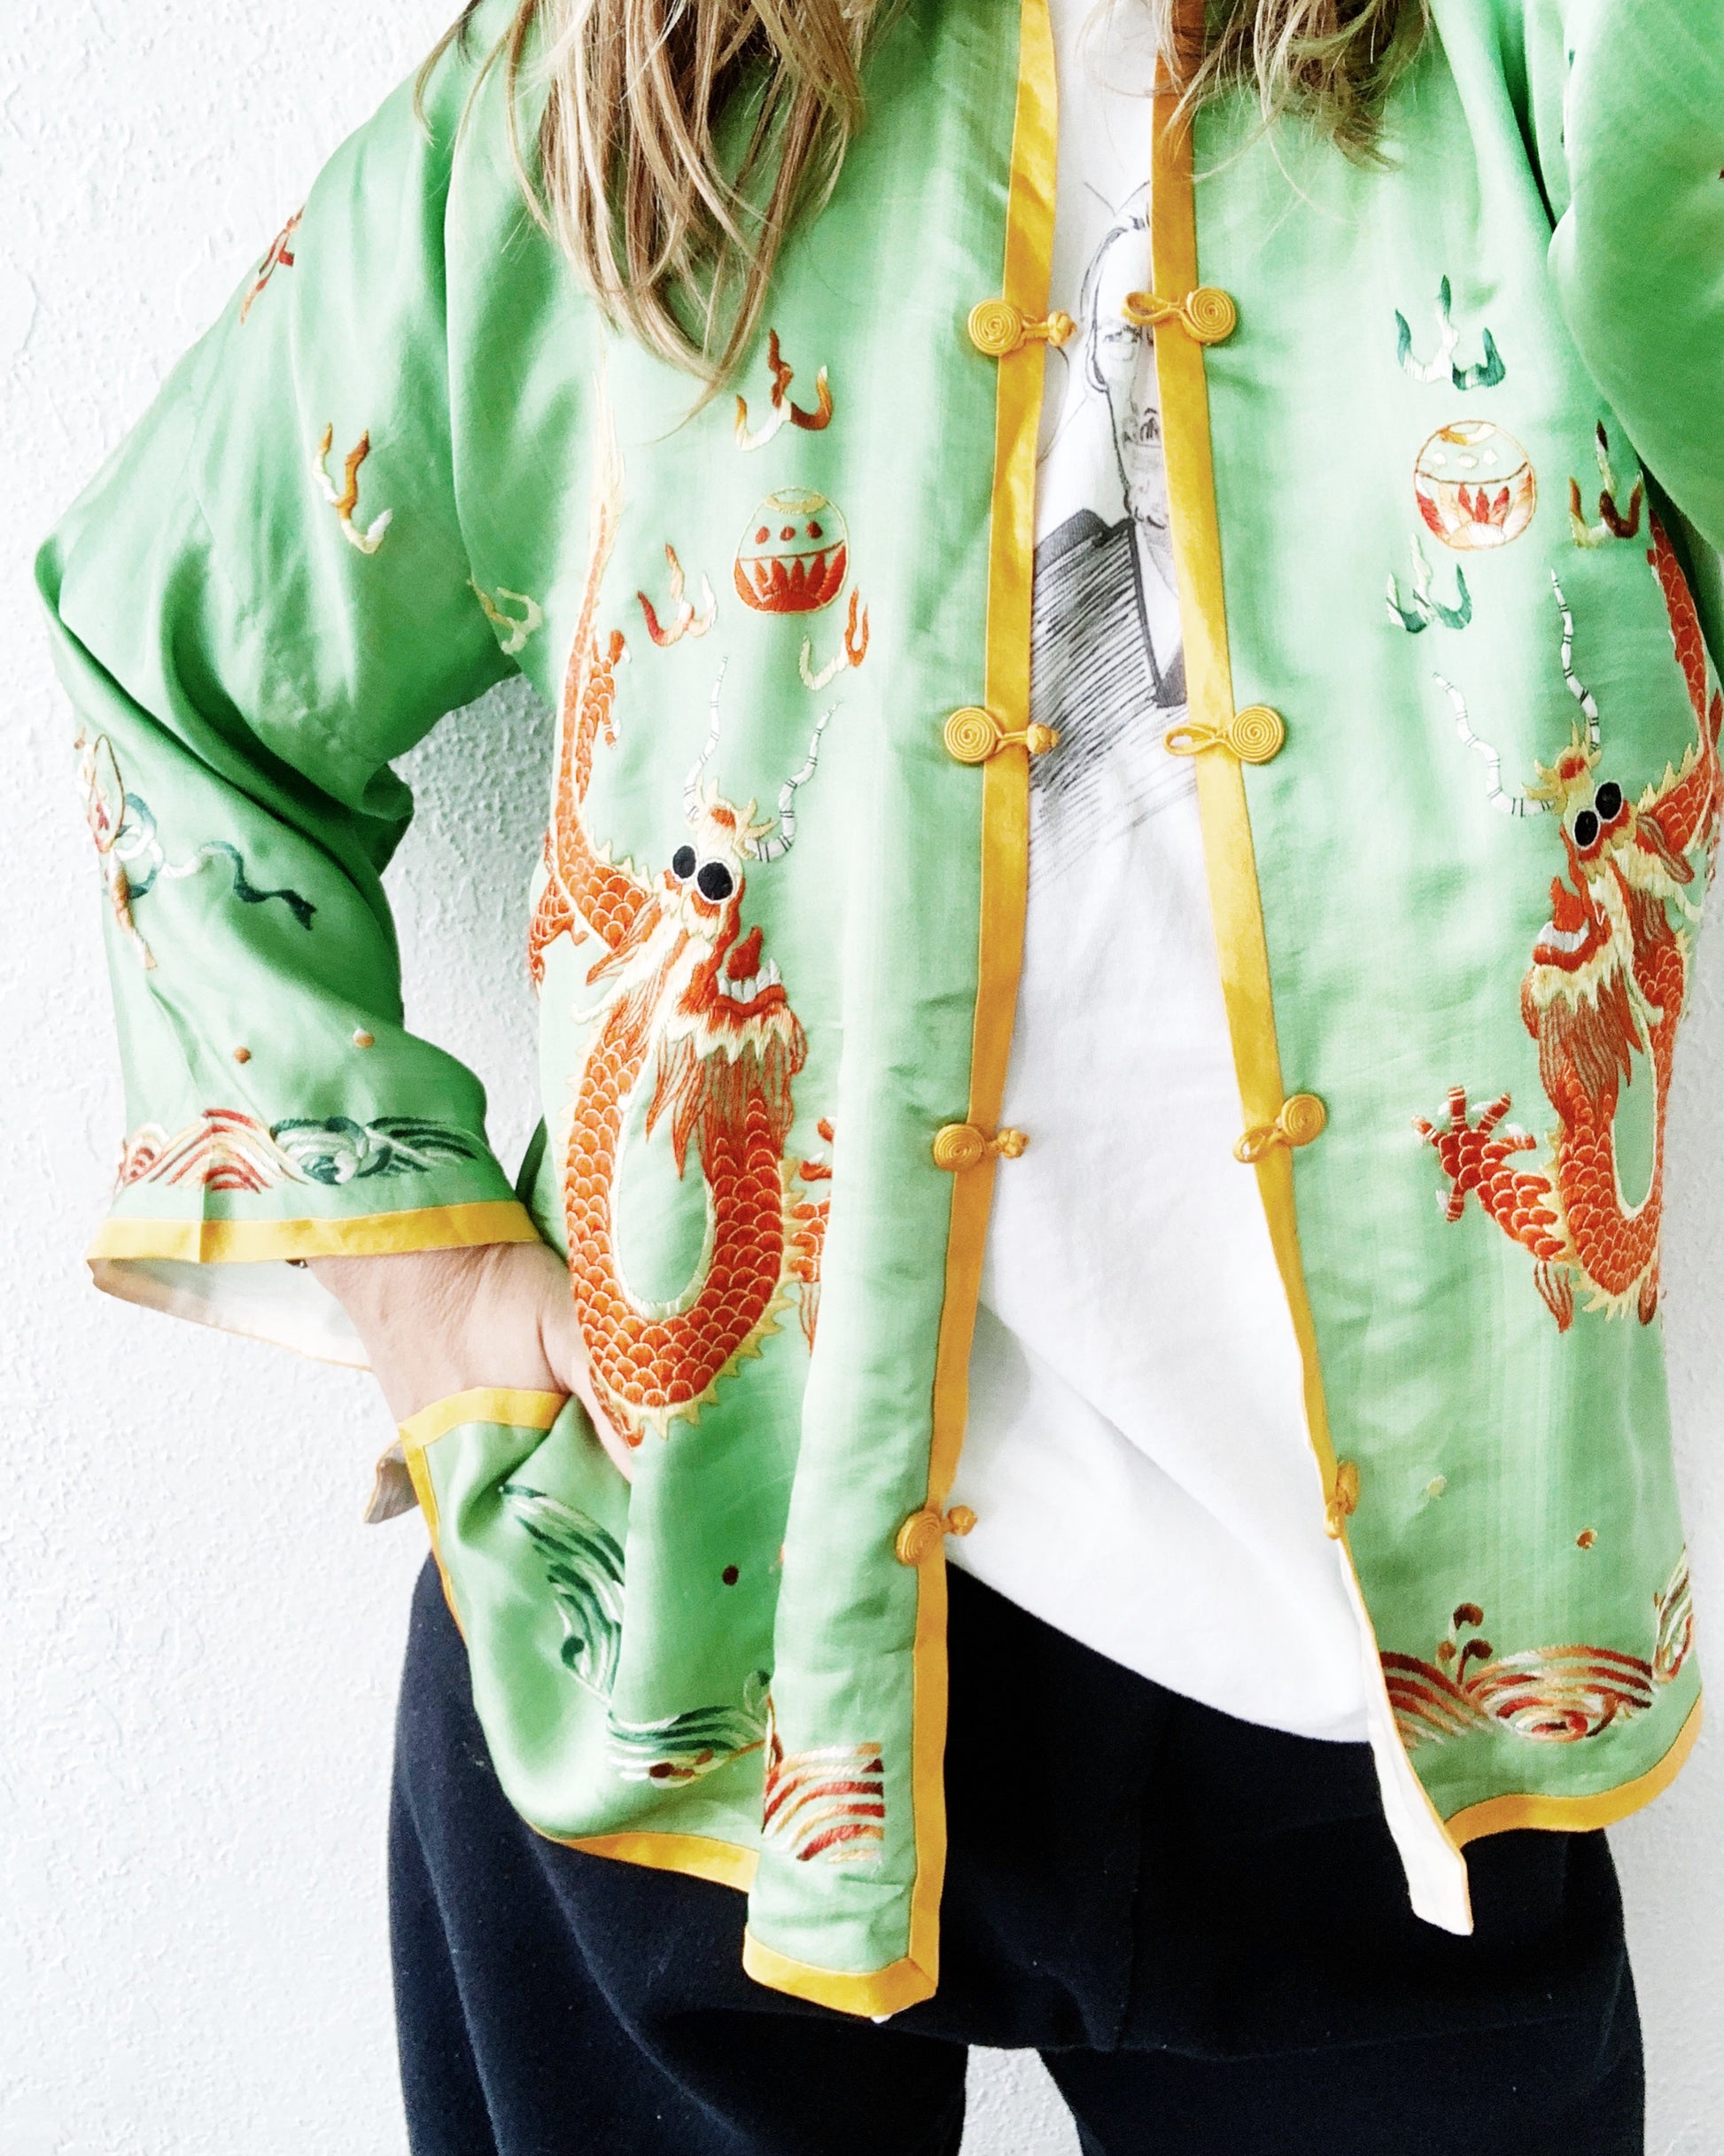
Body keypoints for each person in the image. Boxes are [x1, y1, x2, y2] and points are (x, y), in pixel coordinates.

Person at [36, 0, 1720, 2148]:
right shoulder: (612, 92)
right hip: (682, 1639)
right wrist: (426, 1277)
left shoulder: (1557, 74)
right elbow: (168, 643)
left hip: (1398, 1713)